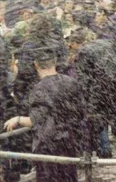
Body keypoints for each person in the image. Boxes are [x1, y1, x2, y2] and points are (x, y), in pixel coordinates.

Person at [3, 47, 86, 182]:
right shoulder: (70, 82)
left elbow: (35, 120)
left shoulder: (40, 88)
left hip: (49, 145)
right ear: (54, 62)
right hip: (69, 141)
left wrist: (17, 119)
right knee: (69, 177)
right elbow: (81, 112)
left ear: (36, 65)